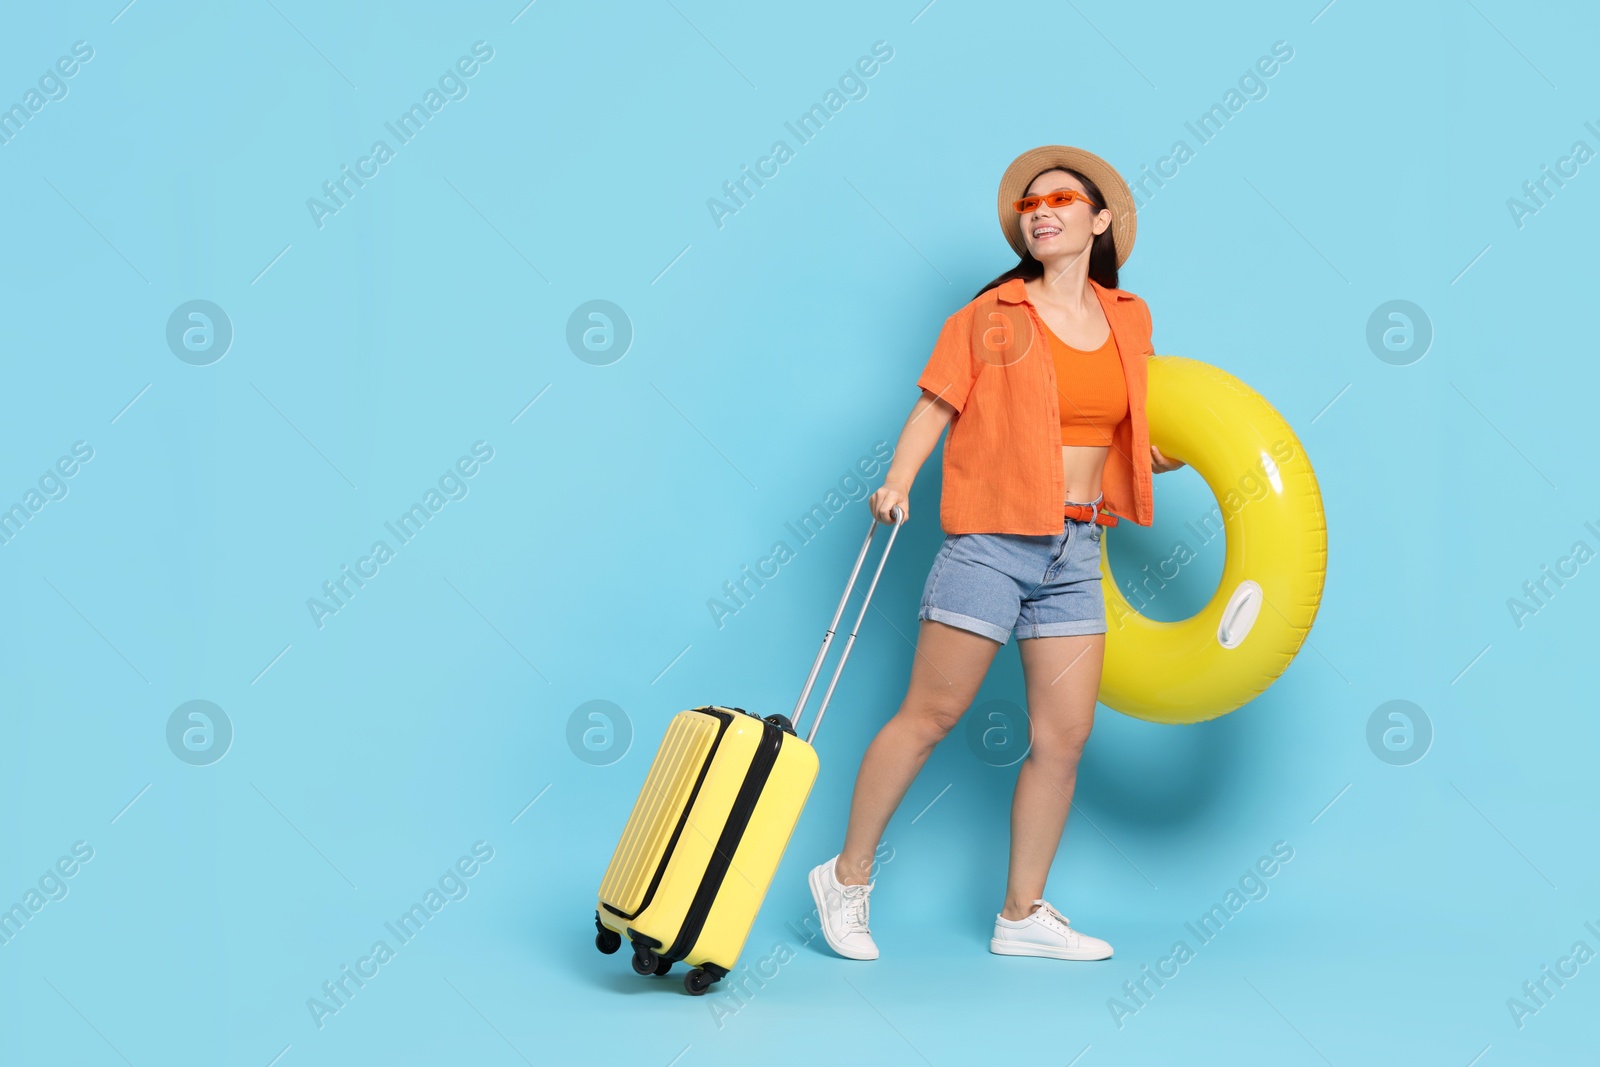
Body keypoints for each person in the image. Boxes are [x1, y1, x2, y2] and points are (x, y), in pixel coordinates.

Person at [807, 145, 1184, 962]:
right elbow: (936, 406)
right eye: (1028, 204)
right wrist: (898, 481)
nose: (1039, 211)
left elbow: (1135, 426)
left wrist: (1179, 450)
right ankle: (846, 876)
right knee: (931, 715)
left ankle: (1021, 912)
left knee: (1064, 736)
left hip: (1079, 548)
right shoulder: (991, 316)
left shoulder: (1131, 316)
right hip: (992, 542)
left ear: (1100, 219)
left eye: (1058, 199)